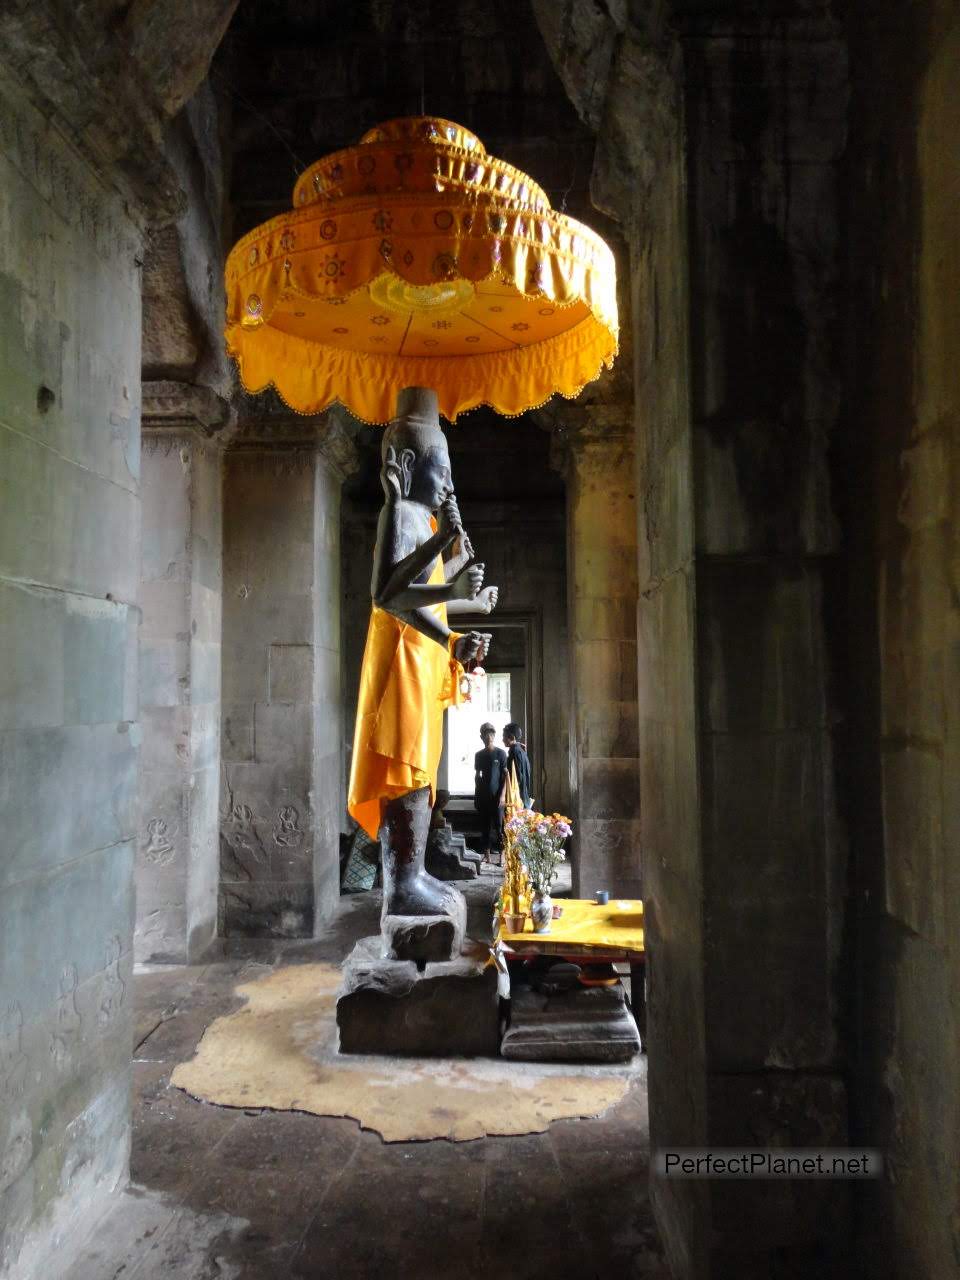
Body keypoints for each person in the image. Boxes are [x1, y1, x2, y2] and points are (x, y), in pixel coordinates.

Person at [347, 387, 498, 918]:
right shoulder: (402, 513)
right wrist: (442, 558)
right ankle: (401, 886)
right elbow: (387, 594)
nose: (447, 484)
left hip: (420, 657)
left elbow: (426, 601)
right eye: (441, 469)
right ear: (407, 465)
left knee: (420, 772)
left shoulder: (425, 522)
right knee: (403, 768)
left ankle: (412, 875)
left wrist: (464, 607)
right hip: (400, 666)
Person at [474, 723, 507, 861]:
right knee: (485, 827)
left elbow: (506, 776)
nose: (489, 737)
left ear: (494, 736)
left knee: (500, 827)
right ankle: (486, 856)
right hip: (483, 796)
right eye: (486, 734)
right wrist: (477, 795)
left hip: (497, 797)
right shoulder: (479, 755)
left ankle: (502, 856)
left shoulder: (500, 754)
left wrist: (503, 795)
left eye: (491, 734)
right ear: (481, 737)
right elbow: (477, 775)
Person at [503, 722, 532, 808]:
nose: (502, 739)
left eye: (504, 736)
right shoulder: (520, 751)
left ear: (512, 737)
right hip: (523, 796)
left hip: (517, 798)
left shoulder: (515, 752)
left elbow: (516, 778)